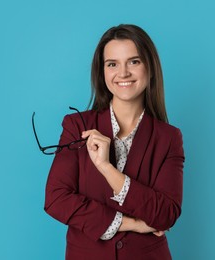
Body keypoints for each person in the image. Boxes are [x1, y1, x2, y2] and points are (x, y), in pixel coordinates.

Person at [44, 24, 185, 260]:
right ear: (102, 72)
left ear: (150, 69)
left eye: (134, 62)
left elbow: (166, 214)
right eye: (112, 64)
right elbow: (56, 199)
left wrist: (107, 169)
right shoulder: (77, 126)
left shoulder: (169, 138)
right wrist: (131, 223)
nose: (123, 73)